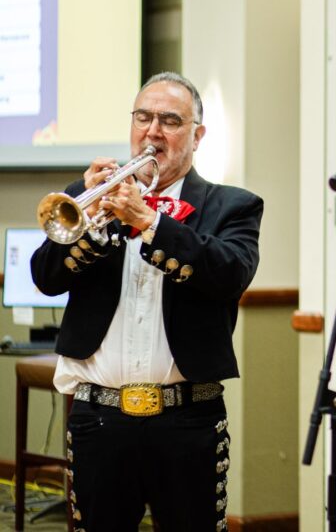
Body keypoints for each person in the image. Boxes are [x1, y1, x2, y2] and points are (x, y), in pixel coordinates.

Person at [32, 72, 263, 531]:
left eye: (170, 120)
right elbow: (45, 278)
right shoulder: (90, 196)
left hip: (187, 420)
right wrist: (91, 220)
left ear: (197, 136)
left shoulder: (232, 205)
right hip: (99, 420)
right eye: (143, 117)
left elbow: (230, 273)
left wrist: (150, 221)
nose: (153, 131)